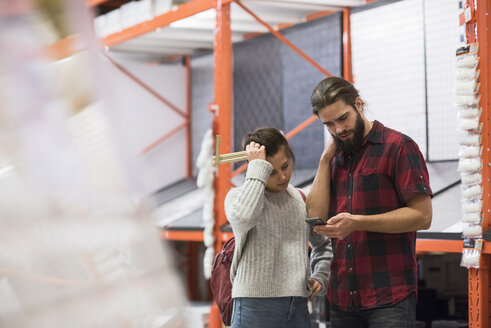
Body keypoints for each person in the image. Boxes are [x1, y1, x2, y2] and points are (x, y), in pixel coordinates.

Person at [307, 76, 433, 328]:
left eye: (342, 118)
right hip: (342, 297)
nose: (338, 129)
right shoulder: (333, 158)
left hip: (390, 297)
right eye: (329, 124)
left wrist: (358, 223)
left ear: (358, 104)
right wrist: (323, 161)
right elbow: (314, 215)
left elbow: (422, 216)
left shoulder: (398, 147)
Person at [225, 127, 332, 328]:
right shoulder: (236, 197)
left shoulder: (301, 198)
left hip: (298, 305)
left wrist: (320, 274)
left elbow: (323, 245)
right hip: (253, 306)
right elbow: (243, 217)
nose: (283, 176)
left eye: (285, 166)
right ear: (256, 169)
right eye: (271, 172)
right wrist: (257, 167)